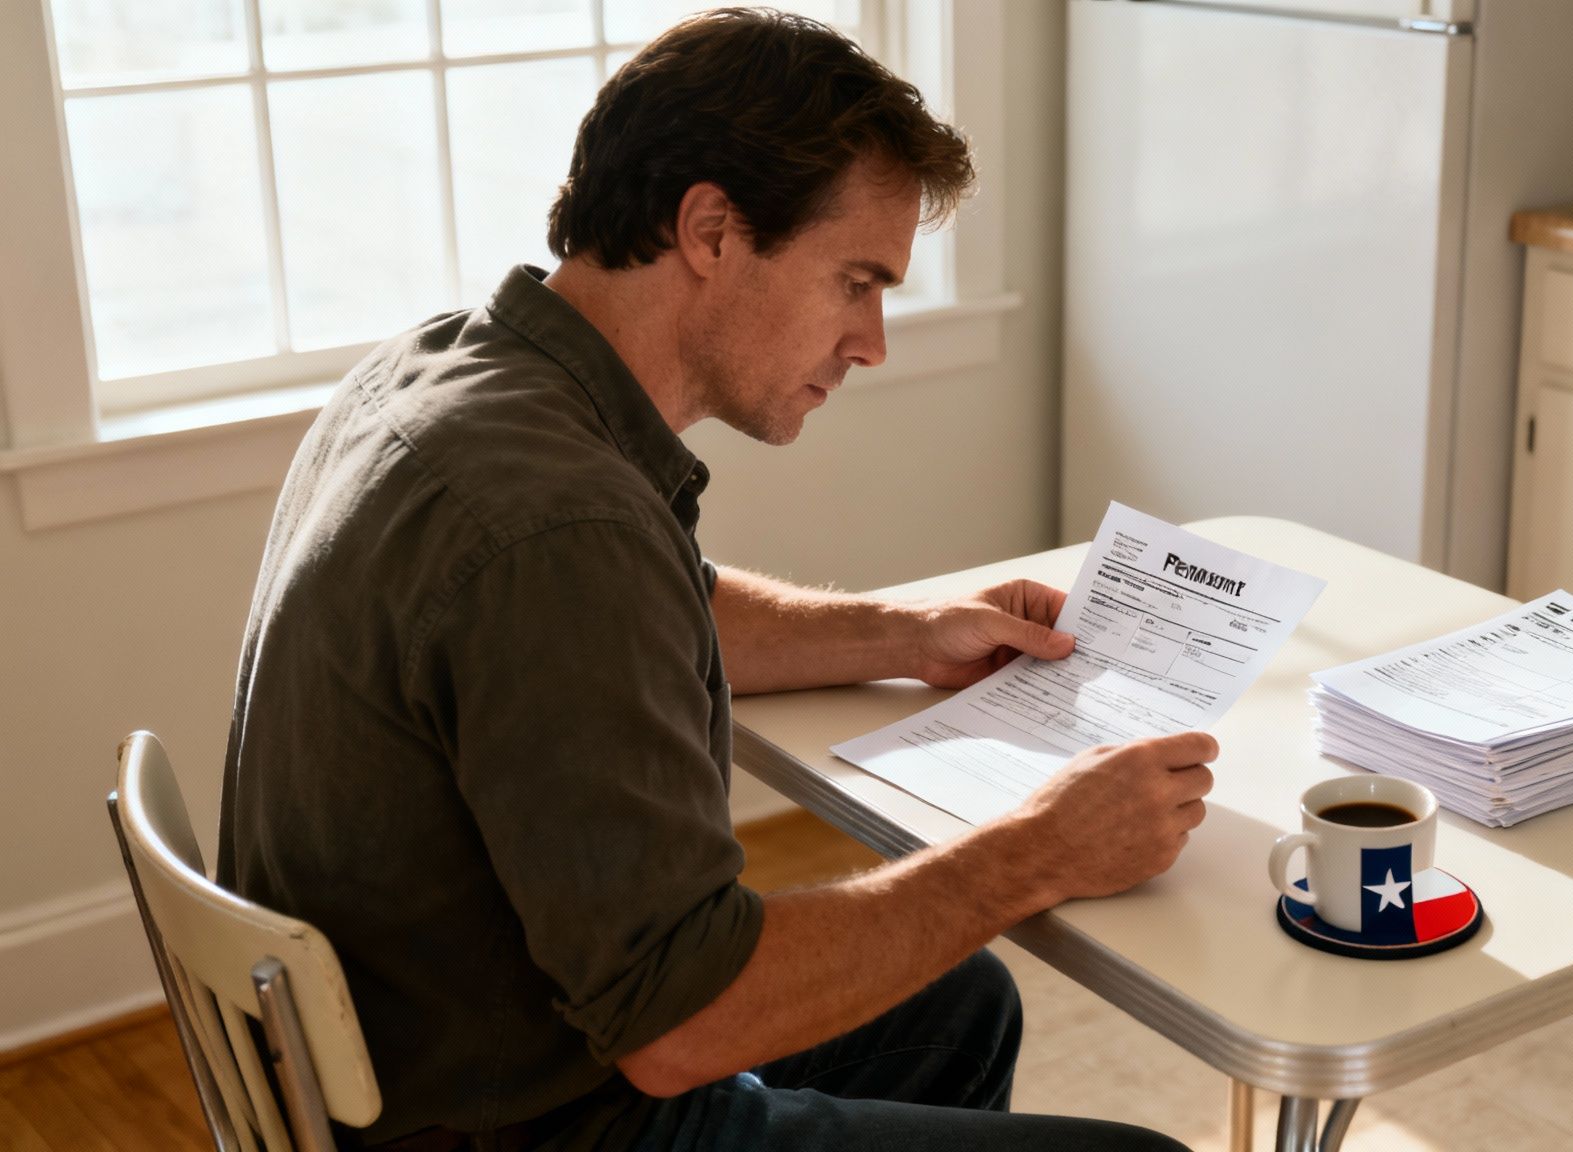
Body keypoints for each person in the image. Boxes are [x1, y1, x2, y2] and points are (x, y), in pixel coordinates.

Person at [217, 9, 1215, 1151]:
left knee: (960, 1008)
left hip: (428, 1049)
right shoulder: (559, 524)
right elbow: (680, 1023)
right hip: (533, 1119)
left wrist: (901, 633)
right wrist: (1033, 850)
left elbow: (631, 614)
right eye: (854, 281)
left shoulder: (445, 374)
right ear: (710, 228)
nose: (872, 340)